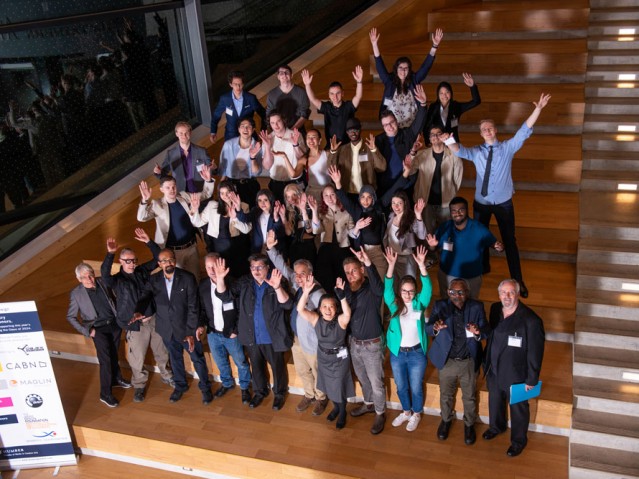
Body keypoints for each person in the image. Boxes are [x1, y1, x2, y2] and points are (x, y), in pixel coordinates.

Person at [446, 93, 552, 298]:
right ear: (481, 133)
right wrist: (448, 139)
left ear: (495, 130)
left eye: (490, 128)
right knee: (479, 238)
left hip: (503, 203)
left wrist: (538, 108)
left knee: (509, 241)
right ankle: (482, 268)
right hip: (482, 203)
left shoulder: (507, 148)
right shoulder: (477, 152)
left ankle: (518, 279)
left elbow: (524, 130)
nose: (487, 131)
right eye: (483, 129)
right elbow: (458, 151)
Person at [100, 229, 174, 402]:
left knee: (161, 351)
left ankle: (166, 375)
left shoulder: (141, 271)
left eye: (133, 260)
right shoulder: (117, 279)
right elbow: (104, 274)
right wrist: (110, 254)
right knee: (137, 357)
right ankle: (139, 385)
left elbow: (159, 258)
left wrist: (148, 241)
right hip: (135, 325)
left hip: (154, 319)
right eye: (128, 261)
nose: (132, 264)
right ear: (121, 261)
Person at [133, 249, 213, 404]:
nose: (168, 263)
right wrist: (138, 310)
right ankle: (180, 386)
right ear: (159, 264)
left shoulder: (187, 278)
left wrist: (190, 331)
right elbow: (145, 296)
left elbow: (193, 307)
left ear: (175, 261)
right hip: (167, 329)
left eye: (171, 259)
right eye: (164, 261)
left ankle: (205, 388)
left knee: (197, 358)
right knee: (175, 359)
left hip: (186, 329)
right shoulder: (154, 279)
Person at [213, 254, 293, 410]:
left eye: (259, 267)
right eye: (253, 267)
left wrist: (277, 288)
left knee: (277, 367)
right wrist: (220, 279)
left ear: (267, 267)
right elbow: (225, 295)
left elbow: (288, 304)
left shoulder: (277, 280)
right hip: (251, 334)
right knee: (256, 366)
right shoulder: (245, 282)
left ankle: (279, 394)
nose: (255, 271)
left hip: (271, 336)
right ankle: (259, 392)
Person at [266, 231, 329, 416]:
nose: (298, 277)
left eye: (303, 273)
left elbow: (326, 318)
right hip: (297, 339)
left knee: (317, 371)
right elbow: (283, 267)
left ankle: (322, 398)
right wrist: (270, 248)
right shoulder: (296, 282)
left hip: (312, 340)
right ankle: (309, 394)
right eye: (297, 274)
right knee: (302, 370)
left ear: (310, 274)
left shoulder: (317, 292)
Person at [482, 279, 545, 457]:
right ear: (499, 294)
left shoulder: (531, 321)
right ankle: (496, 427)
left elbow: (535, 352)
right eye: (503, 292)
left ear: (517, 294)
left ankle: (518, 440)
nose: (507, 296)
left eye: (511, 292)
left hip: (516, 374)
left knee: (518, 408)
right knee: (495, 401)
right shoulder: (495, 309)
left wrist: (532, 379)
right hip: (493, 369)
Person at [426, 278, 488, 445]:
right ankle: (446, 420)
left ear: (467, 293)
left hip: (468, 361)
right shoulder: (440, 306)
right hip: (447, 361)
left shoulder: (476, 307)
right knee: (446, 394)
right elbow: (427, 327)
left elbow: (486, 331)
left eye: (461, 292)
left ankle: (469, 425)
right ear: (448, 292)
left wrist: (477, 332)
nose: (457, 296)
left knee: (469, 397)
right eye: (453, 292)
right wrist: (435, 328)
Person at [67, 263, 131, 408]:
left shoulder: (102, 281)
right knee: (105, 360)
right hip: (97, 329)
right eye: (84, 277)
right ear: (79, 279)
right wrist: (87, 331)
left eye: (90, 274)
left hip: (113, 324)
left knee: (114, 353)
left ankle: (116, 379)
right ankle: (105, 393)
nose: (89, 279)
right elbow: (70, 317)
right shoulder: (76, 294)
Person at [383, 245, 432, 432]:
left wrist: (421, 266)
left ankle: (416, 413)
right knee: (401, 386)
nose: (408, 294)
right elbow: (387, 287)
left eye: (411, 291)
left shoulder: (420, 302)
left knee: (416, 386)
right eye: (404, 291)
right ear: (400, 291)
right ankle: (406, 411)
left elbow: (427, 287)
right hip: (398, 353)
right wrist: (391, 265)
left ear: (415, 291)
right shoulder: (394, 304)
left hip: (417, 353)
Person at [296, 275, 354, 429]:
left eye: (331, 306)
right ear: (320, 309)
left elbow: (347, 314)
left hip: (339, 360)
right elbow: (300, 309)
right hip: (323, 358)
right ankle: (335, 408)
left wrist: (341, 297)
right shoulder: (316, 319)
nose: (328, 310)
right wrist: (306, 291)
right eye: (325, 307)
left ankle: (342, 412)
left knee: (339, 387)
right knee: (328, 386)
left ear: (336, 308)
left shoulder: (341, 320)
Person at [137, 170, 214, 279]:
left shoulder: (183, 196)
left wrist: (208, 180)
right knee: (178, 281)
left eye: (173, 186)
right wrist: (144, 200)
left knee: (195, 278)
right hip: (172, 253)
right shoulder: (157, 204)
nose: (172, 190)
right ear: (161, 189)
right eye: (168, 187)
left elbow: (206, 194)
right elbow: (141, 217)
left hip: (191, 248)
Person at [197, 253, 252, 405]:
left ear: (222, 265)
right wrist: (201, 325)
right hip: (213, 333)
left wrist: (235, 329)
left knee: (240, 361)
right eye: (208, 267)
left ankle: (245, 387)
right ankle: (227, 383)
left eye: (215, 266)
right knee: (220, 361)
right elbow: (201, 309)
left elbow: (241, 310)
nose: (212, 270)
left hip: (231, 334)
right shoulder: (202, 285)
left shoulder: (233, 283)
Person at [343, 248, 386, 435]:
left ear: (361, 269)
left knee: (376, 382)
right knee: (362, 378)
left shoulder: (372, 289)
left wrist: (368, 262)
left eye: (353, 270)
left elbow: (380, 286)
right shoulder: (347, 290)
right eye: (347, 272)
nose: (350, 275)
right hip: (355, 344)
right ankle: (368, 404)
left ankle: (380, 412)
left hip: (372, 344)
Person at [427, 196, 503, 299]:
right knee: (446, 305)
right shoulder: (445, 227)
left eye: (460, 210)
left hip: (471, 277)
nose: (457, 213)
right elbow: (434, 248)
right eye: (453, 211)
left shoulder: (479, 228)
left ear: (467, 210)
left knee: (471, 305)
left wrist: (498, 246)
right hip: (447, 274)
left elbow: (494, 244)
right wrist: (432, 246)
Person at [370, 27, 443, 127]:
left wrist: (434, 46)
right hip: (392, 128)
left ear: (409, 70)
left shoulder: (414, 80)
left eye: (406, 68)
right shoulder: (389, 81)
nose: (403, 71)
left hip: (412, 128)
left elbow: (425, 67)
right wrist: (374, 45)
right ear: (396, 69)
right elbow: (380, 65)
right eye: (400, 68)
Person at [328, 165, 387, 281]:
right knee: (364, 285)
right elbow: (344, 199)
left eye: (369, 197)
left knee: (380, 284)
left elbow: (393, 191)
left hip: (378, 252)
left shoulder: (379, 209)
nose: (365, 200)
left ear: (373, 199)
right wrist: (337, 182)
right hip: (362, 253)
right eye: (363, 197)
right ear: (359, 198)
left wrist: (406, 173)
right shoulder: (357, 211)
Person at [375, 84, 429, 199]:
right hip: (386, 187)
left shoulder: (407, 134)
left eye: (391, 122)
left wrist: (423, 104)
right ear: (383, 127)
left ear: (396, 121)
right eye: (385, 125)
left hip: (406, 185)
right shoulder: (378, 141)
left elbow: (418, 122)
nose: (389, 126)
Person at [189, 180, 252, 278]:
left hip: (237, 247)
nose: (225, 196)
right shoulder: (212, 205)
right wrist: (194, 209)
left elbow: (246, 230)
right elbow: (197, 222)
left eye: (228, 192)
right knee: (221, 275)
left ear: (233, 191)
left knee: (237, 275)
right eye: (222, 193)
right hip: (218, 247)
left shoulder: (243, 205)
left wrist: (235, 217)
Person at [410, 126, 463, 234]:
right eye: (432, 135)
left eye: (438, 133)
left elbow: (458, 179)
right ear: (429, 139)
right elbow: (409, 171)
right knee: (428, 235)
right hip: (426, 203)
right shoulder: (421, 155)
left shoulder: (454, 155)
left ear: (443, 136)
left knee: (447, 234)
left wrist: (451, 192)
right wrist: (412, 152)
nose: (435, 136)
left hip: (446, 203)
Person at [301, 66, 363, 145]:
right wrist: (307, 85)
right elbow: (313, 99)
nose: (335, 96)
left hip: (347, 146)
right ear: (329, 95)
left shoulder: (348, 106)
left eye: (338, 93)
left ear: (343, 93)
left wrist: (359, 82)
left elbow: (358, 96)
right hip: (330, 146)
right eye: (332, 94)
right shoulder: (326, 107)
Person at [309, 185, 355, 291]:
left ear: (337, 195)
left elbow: (352, 231)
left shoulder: (346, 212)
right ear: (323, 198)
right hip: (325, 250)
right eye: (326, 195)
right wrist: (314, 211)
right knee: (325, 280)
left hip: (343, 250)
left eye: (332, 194)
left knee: (343, 281)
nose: (330, 198)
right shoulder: (321, 212)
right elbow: (316, 231)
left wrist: (357, 228)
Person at [328, 118, 386, 199]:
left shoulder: (369, 147)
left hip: (367, 194)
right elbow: (331, 170)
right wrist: (333, 152)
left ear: (360, 130)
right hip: (347, 193)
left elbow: (382, 168)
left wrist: (374, 150)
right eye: (349, 131)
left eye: (355, 130)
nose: (353, 133)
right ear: (347, 133)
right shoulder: (342, 150)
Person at [217, 117, 266, 209]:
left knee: (251, 212)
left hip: (250, 185)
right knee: (233, 212)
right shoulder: (228, 145)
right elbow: (223, 168)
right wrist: (220, 187)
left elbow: (257, 172)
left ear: (253, 129)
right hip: (231, 186)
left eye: (248, 127)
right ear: (238, 129)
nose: (245, 129)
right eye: (242, 126)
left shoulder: (258, 146)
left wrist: (253, 157)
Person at [260, 111, 306, 202]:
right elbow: (267, 166)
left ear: (284, 121)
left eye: (278, 121)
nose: (276, 125)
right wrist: (268, 147)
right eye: (272, 123)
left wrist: (295, 145)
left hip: (294, 181)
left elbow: (302, 159)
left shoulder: (295, 135)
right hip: (276, 182)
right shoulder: (268, 138)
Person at [209, 70, 266, 144]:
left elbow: (263, 114)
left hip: (248, 134)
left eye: (240, 84)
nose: (238, 87)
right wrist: (213, 132)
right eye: (235, 84)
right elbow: (216, 116)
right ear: (230, 84)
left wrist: (263, 129)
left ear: (243, 84)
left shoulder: (251, 98)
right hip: (231, 134)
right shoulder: (225, 99)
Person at [155, 121, 213, 193]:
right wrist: (158, 172)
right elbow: (163, 174)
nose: (184, 136)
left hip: (200, 191)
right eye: (181, 133)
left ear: (190, 133)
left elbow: (211, 169)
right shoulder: (171, 154)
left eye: (186, 133)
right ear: (176, 134)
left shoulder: (202, 151)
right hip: (180, 192)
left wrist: (213, 167)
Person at [425, 73, 481, 142]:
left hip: (452, 141)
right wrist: (428, 141)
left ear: (451, 93)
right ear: (438, 94)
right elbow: (427, 125)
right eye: (441, 93)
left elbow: (476, 101)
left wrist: (472, 86)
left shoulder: (456, 106)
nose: (444, 95)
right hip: (438, 141)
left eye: (447, 92)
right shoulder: (433, 107)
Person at [384, 191, 426, 279]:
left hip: (406, 258)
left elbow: (422, 235)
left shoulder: (411, 218)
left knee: (408, 286)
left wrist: (418, 215)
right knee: (393, 287)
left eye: (399, 203)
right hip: (392, 258)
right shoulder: (391, 216)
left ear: (405, 203)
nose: (396, 206)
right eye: (393, 203)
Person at [266, 65, 310, 133]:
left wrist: (291, 131)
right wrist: (279, 131)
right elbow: (269, 115)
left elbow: (304, 114)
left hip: (297, 131)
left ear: (291, 75)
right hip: (278, 132)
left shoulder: (301, 92)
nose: (284, 75)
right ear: (278, 77)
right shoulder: (272, 94)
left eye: (287, 72)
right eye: (281, 73)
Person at [248, 189, 287, 256]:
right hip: (258, 250)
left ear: (271, 200)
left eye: (265, 200)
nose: (262, 203)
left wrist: (276, 217)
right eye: (260, 200)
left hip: (274, 251)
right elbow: (245, 219)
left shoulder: (277, 211)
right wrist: (238, 208)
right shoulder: (255, 212)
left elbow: (280, 233)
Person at [303, 129, 331, 201]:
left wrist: (333, 152)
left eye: (314, 137)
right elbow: (294, 175)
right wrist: (285, 157)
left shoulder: (327, 154)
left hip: (327, 191)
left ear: (320, 140)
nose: (311, 140)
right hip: (312, 192)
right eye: (308, 137)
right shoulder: (304, 158)